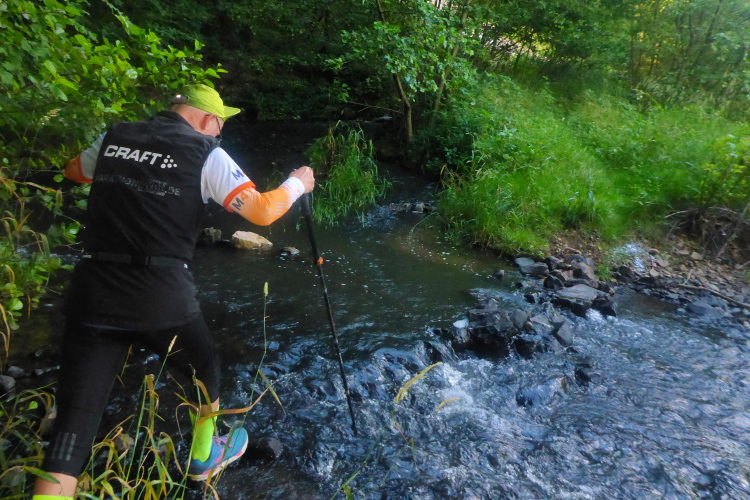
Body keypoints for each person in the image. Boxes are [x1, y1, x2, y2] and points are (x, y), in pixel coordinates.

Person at [33, 83, 315, 499]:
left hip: (93, 293)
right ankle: (203, 457)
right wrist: (296, 184)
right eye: (219, 125)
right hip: (160, 296)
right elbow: (262, 210)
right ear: (208, 119)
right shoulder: (206, 152)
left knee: (71, 430)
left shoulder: (115, 136)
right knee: (206, 373)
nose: (218, 132)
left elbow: (74, 170)